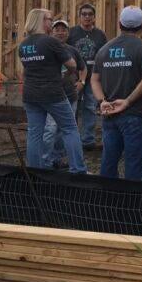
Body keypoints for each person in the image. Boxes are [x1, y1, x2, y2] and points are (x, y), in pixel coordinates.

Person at [91, 6, 142, 180]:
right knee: (134, 164)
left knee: (109, 162)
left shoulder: (104, 49)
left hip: (110, 115)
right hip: (135, 115)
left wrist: (102, 101)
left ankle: (108, 200)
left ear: (120, 24)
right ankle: (132, 204)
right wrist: (127, 101)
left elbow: (94, 79)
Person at [18, 9, 84, 172]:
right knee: (70, 129)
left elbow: (25, 71)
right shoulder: (50, 42)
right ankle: (78, 169)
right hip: (52, 93)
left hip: (30, 94)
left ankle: (35, 171)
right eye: (50, 19)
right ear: (42, 20)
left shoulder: (24, 45)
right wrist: (66, 74)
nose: (52, 22)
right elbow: (73, 65)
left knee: (34, 133)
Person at [42, 19, 87, 170]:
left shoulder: (72, 50)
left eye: (63, 30)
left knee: (63, 130)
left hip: (69, 95)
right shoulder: (46, 48)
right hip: (52, 96)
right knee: (50, 129)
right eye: (57, 29)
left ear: (68, 33)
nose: (60, 32)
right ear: (51, 31)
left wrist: (82, 81)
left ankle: (57, 159)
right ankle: (45, 162)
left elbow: (82, 67)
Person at [67, 4, 108, 150]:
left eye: (90, 14)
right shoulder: (71, 33)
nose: (87, 17)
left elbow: (104, 55)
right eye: (84, 14)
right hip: (73, 78)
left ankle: (87, 141)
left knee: (90, 107)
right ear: (79, 16)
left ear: (94, 17)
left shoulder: (100, 35)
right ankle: (71, 140)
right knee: (72, 108)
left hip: (92, 78)